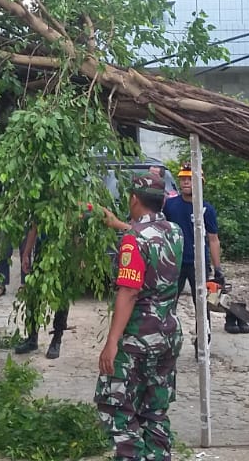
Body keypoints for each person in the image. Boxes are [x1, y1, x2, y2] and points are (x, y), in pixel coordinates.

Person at [93, 172, 183, 461]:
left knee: (118, 409)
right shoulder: (175, 231)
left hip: (138, 339)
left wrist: (112, 341)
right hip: (168, 334)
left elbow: (128, 292)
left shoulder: (133, 239)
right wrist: (120, 225)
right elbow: (148, 235)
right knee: (155, 410)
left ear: (134, 199)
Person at [162, 164, 249, 335]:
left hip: (199, 264)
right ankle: (166, 342)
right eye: (183, 179)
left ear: (199, 182)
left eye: (190, 179)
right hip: (175, 263)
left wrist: (218, 270)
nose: (186, 182)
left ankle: (204, 342)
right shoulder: (170, 206)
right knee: (168, 304)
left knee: (203, 305)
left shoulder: (206, 209)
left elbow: (213, 239)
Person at [13, 220, 70, 359]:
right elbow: (35, 226)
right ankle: (32, 338)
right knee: (34, 294)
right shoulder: (43, 200)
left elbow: (76, 227)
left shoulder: (73, 200)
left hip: (65, 251)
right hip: (42, 248)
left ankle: (57, 339)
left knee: (62, 296)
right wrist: (26, 253)